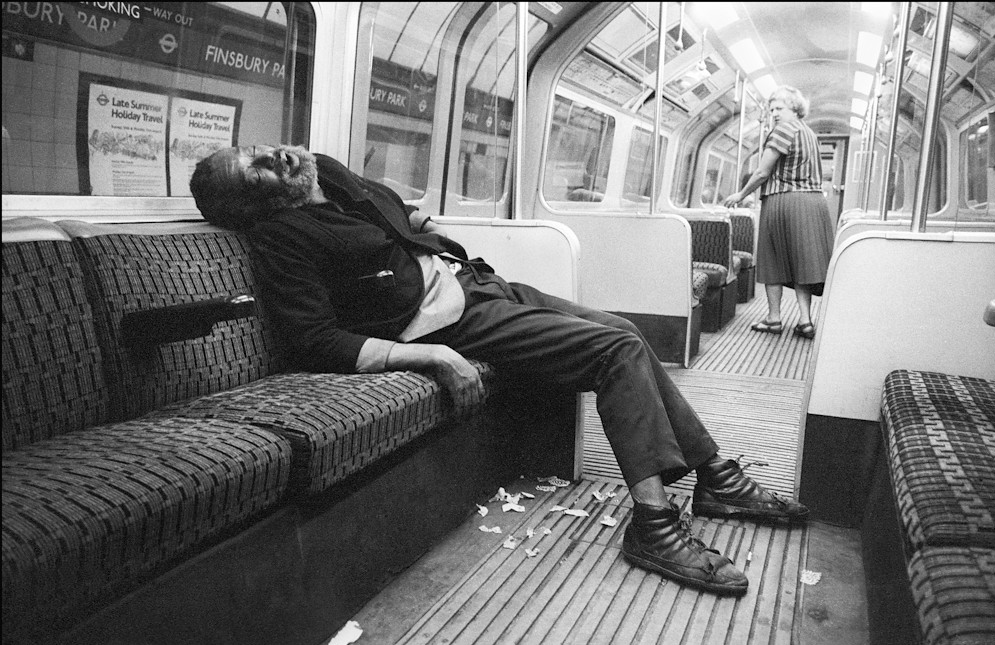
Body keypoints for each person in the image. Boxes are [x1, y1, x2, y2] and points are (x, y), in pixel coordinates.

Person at [189, 144, 809, 596]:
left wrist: (412, 225)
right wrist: (428, 354)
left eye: (262, 147)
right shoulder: (281, 237)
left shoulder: (325, 169)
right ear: (256, 201)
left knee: (624, 331)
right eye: (259, 168)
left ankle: (716, 478)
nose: (276, 154)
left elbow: (385, 213)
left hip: (474, 281)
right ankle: (652, 523)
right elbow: (312, 341)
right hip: (438, 322)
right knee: (612, 354)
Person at [723, 86, 834, 339]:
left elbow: (763, 172)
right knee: (802, 263)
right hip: (813, 203)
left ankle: (774, 319)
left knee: (772, 260)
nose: (774, 113)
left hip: (784, 201)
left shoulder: (783, 129)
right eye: (771, 109)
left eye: (779, 108)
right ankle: (805, 321)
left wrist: (741, 194)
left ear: (795, 108)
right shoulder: (809, 133)